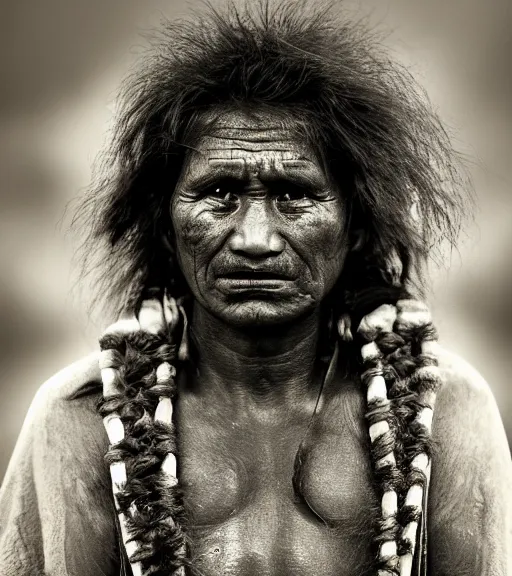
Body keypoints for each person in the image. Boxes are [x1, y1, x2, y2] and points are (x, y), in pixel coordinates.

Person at [0, 3, 510, 576]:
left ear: (358, 224)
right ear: (164, 225)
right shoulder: (81, 419)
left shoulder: (445, 411)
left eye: (293, 193)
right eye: (219, 193)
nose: (255, 239)